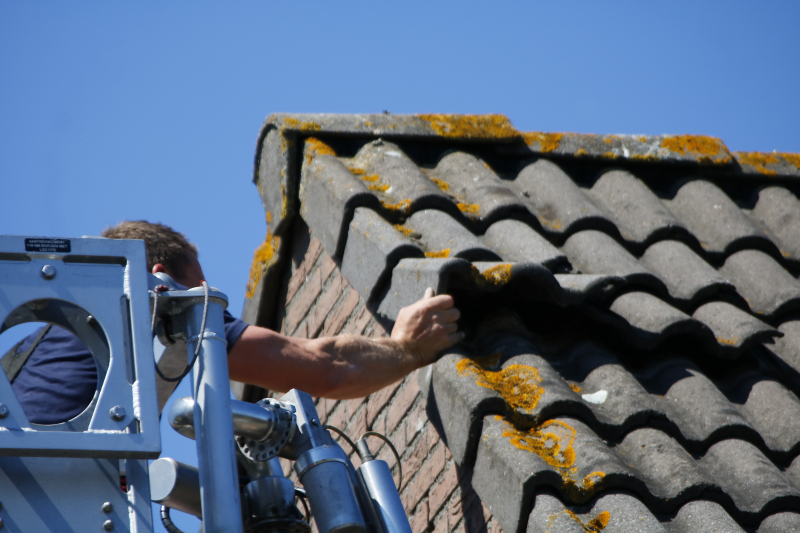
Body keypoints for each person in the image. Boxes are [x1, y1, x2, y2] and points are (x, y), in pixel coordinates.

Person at [6, 221, 463, 425]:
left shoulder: (42, 344)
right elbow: (323, 367)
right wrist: (408, 349)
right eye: (203, 289)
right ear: (160, 276)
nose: (211, 307)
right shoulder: (156, 295)